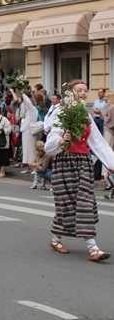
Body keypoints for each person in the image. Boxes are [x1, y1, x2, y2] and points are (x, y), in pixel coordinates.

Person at [45, 80, 114, 262]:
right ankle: (57, 239)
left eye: (85, 90)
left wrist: (112, 164)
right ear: (70, 92)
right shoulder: (62, 112)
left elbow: (99, 143)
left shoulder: (85, 115)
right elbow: (49, 144)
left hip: (83, 163)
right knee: (67, 205)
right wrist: (61, 141)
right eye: (79, 90)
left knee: (85, 203)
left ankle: (92, 248)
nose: (83, 93)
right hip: (65, 162)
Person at [91, 88, 108, 182]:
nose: (99, 94)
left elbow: (105, 115)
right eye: (98, 92)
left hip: (102, 121)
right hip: (96, 120)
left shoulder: (106, 102)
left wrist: (100, 113)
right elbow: (93, 110)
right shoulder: (96, 100)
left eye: (100, 92)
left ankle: (99, 173)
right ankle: (95, 172)